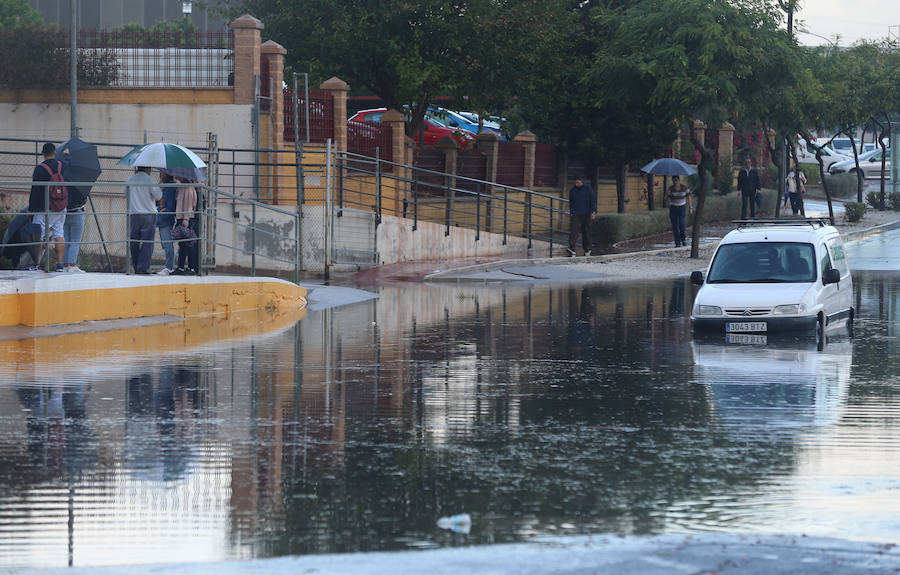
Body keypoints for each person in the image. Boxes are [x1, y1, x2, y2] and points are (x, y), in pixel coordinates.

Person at [28, 143, 67, 271]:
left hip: (45, 208)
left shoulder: (40, 169)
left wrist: (31, 208)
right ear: (54, 153)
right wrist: (67, 156)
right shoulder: (62, 165)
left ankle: (36, 264)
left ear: (43, 153)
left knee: (38, 236)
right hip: (61, 206)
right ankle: (60, 265)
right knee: (59, 233)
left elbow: (35, 190)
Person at [125, 166, 162, 274]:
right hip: (148, 214)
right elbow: (158, 196)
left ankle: (136, 266)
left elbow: (126, 194)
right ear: (148, 169)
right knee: (147, 242)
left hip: (134, 213)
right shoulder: (150, 180)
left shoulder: (130, 180)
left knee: (134, 241)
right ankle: (143, 268)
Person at [172, 178, 198, 275]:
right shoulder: (181, 187)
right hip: (180, 218)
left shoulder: (189, 188)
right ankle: (181, 267)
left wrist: (186, 219)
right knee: (182, 244)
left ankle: (191, 268)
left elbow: (189, 206)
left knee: (189, 244)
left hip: (186, 219)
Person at [155, 173, 178, 275]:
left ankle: (169, 267)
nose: (161, 177)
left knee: (168, 244)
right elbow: (160, 202)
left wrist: (163, 213)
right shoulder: (165, 188)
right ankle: (168, 266)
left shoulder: (171, 188)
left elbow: (170, 206)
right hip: (161, 218)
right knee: (165, 244)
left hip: (165, 219)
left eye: (162, 175)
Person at [567, 177, 596, 256]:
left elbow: (593, 200)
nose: (577, 184)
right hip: (576, 214)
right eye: (575, 182)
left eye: (578, 182)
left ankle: (587, 249)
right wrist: (572, 212)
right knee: (574, 231)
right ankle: (572, 248)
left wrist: (592, 212)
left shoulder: (588, 189)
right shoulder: (573, 190)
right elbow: (571, 201)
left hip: (586, 213)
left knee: (586, 231)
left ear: (581, 182)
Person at [664, 175, 693, 247]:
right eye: (674, 181)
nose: (675, 182)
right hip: (673, 208)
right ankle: (677, 242)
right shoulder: (670, 189)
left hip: (681, 208)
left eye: (676, 180)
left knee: (681, 224)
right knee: (674, 226)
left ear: (679, 181)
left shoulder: (684, 188)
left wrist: (690, 207)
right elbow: (664, 200)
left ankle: (683, 239)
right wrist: (667, 195)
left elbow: (689, 197)